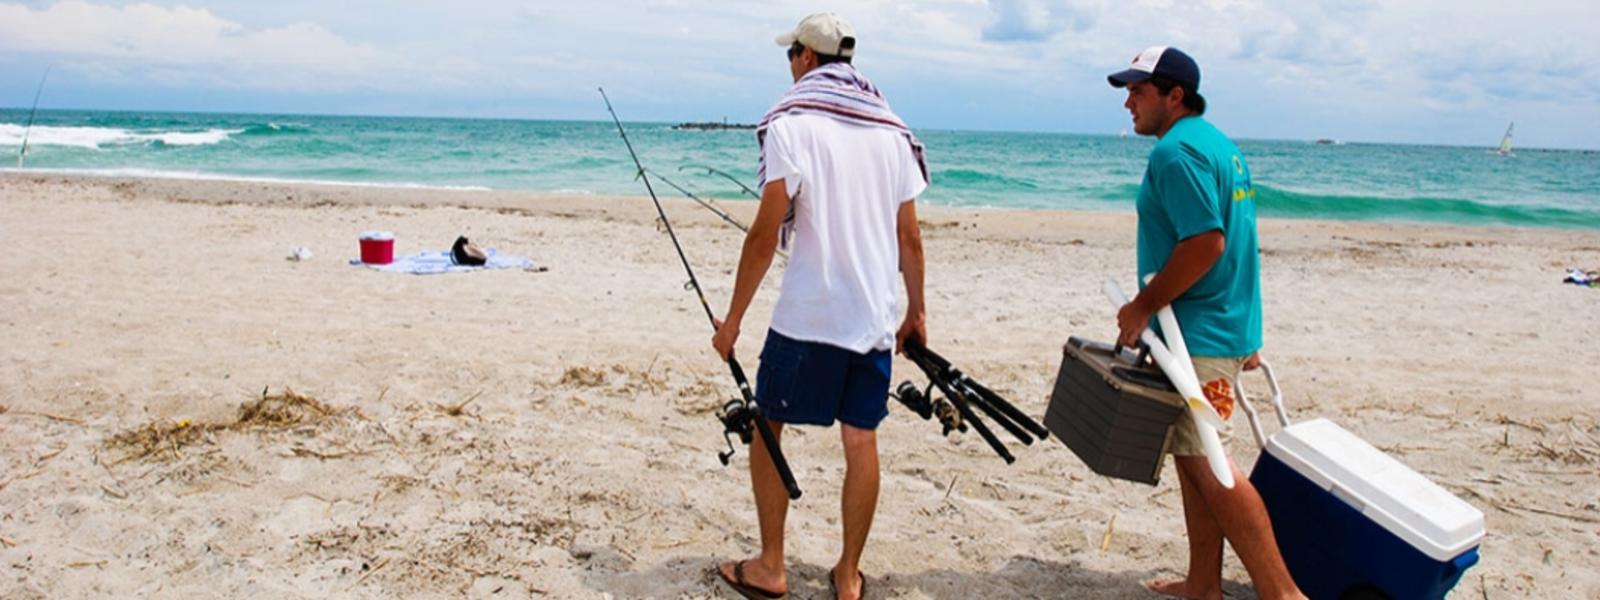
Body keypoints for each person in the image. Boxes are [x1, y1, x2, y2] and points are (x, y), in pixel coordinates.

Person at [711, 12, 928, 600]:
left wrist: (733, 321)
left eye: (792, 54)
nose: (789, 64)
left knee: (768, 426)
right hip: (872, 319)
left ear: (808, 57)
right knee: (861, 440)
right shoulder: (891, 133)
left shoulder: (793, 125)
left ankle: (771, 566)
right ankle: (848, 573)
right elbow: (909, 237)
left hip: (807, 317)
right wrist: (916, 312)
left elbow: (764, 234)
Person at [1107, 46, 1307, 600]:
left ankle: (1283, 593)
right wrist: (1248, 333)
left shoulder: (1175, 153)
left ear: (1175, 95)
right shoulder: (1220, 146)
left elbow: (1207, 243)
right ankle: (1203, 585)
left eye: (1138, 91)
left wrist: (1142, 305)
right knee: (1193, 458)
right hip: (1219, 327)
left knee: (1210, 464)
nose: (1128, 102)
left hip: (1198, 335)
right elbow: (1240, 239)